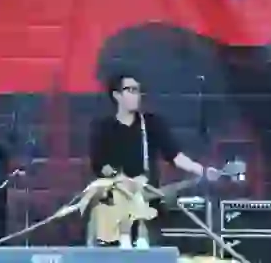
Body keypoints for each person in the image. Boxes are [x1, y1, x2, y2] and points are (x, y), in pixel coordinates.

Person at [88, 74, 218, 248]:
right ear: (116, 95)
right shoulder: (103, 127)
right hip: (114, 203)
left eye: (138, 91)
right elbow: (99, 163)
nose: (136, 95)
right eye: (130, 90)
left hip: (148, 202)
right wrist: (121, 180)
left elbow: (175, 156)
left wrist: (202, 170)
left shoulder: (151, 124)